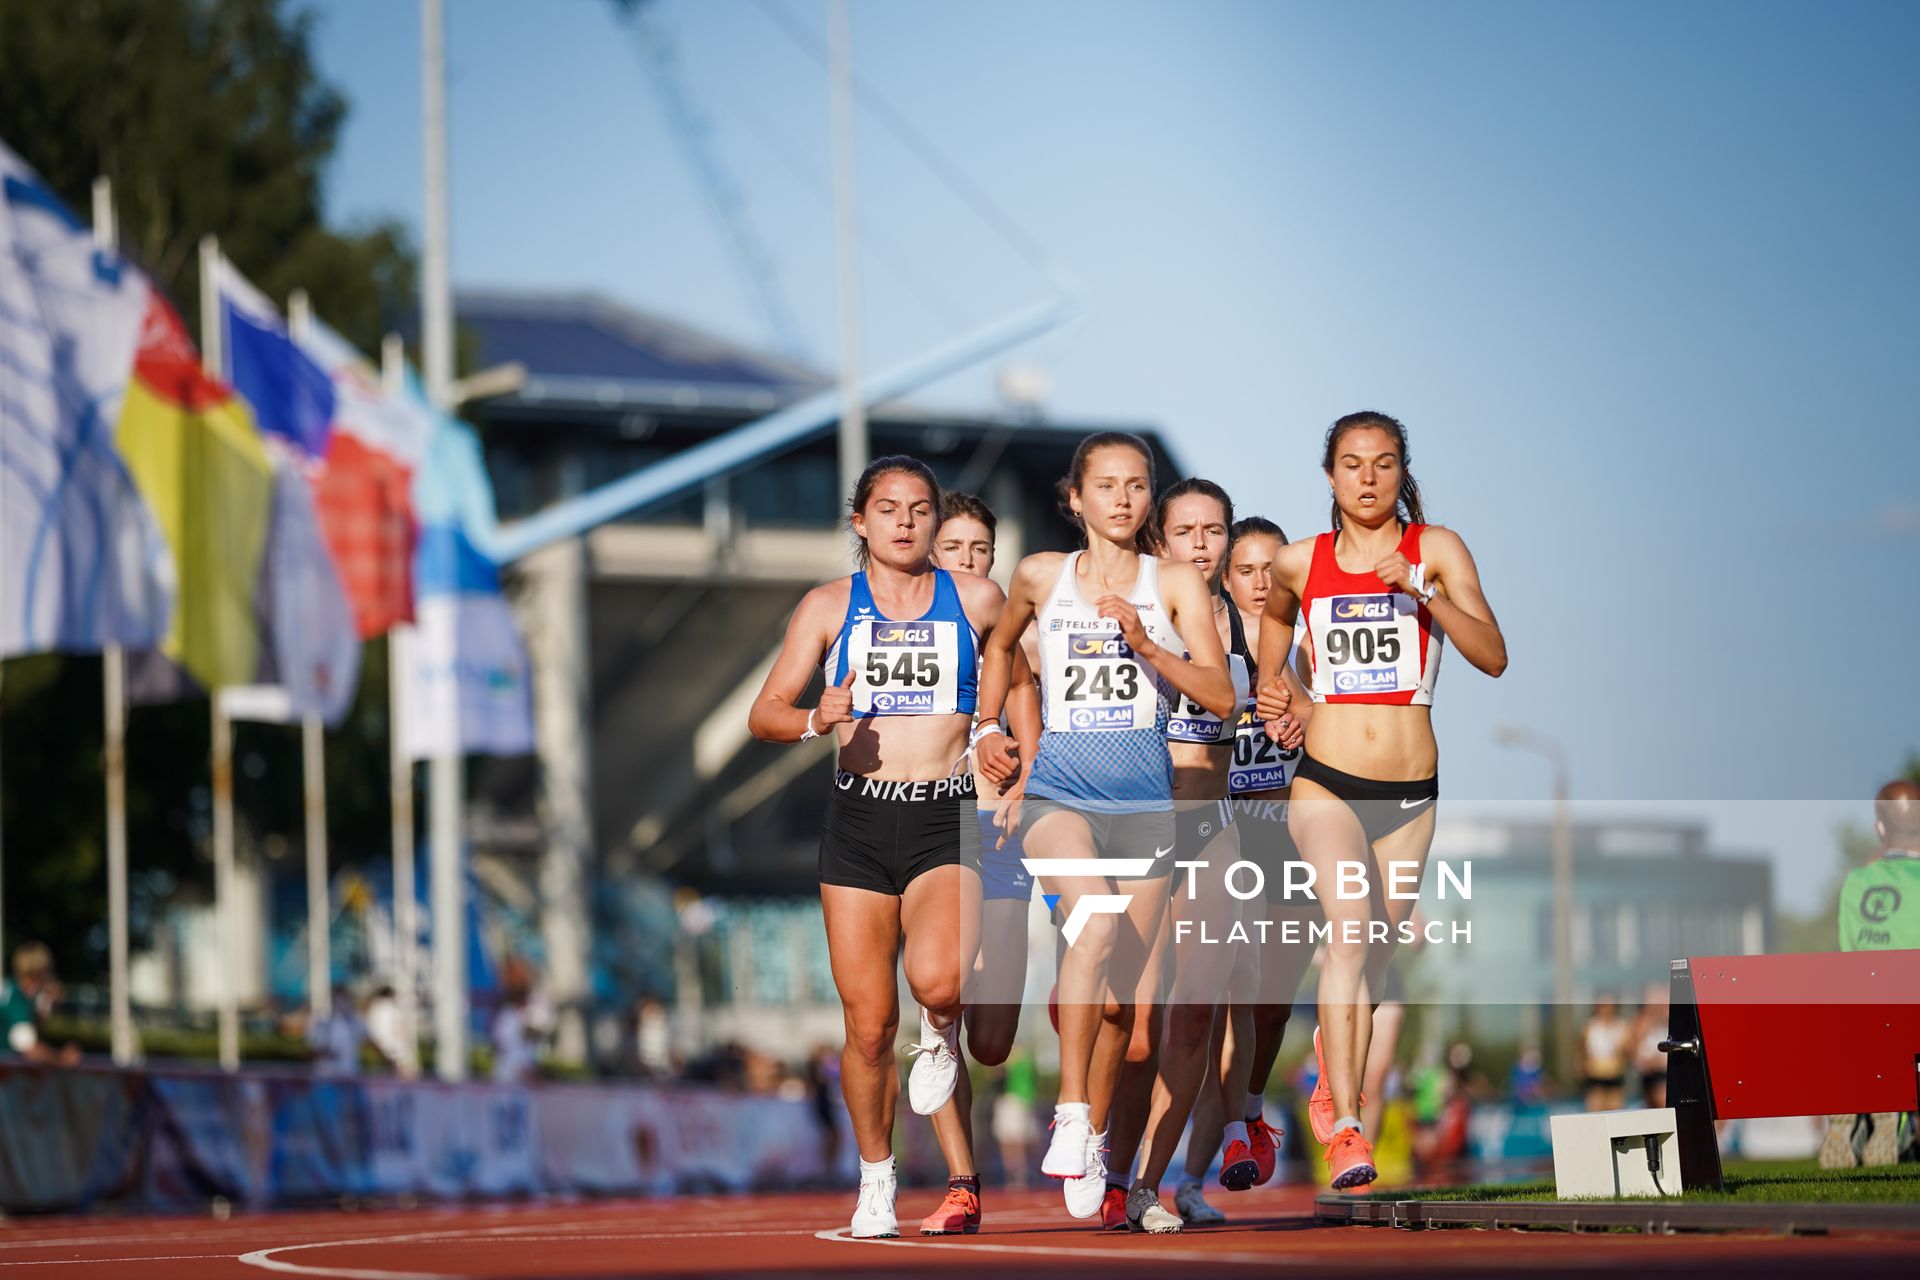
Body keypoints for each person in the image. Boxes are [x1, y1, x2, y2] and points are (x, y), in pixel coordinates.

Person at [974, 433, 1239, 1227]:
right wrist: (987, 727)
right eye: (1107, 486)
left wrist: (1148, 644)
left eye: (1136, 486)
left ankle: (1102, 1140)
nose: (1122, 499)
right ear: (1076, 498)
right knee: (1089, 933)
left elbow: (1222, 696)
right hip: (1059, 795)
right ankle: (1073, 1118)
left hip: (1147, 806)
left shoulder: (1177, 582)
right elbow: (1000, 646)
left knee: (1129, 1015)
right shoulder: (1041, 575)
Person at [748, 455, 1006, 1239]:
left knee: (939, 978)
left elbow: (1018, 680)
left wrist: (998, 739)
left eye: (920, 509)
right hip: (859, 824)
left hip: (944, 813)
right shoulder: (829, 606)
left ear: (935, 521)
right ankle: (875, 1178)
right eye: (887, 508)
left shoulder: (977, 600)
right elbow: (764, 712)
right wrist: (813, 719)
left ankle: (942, 1032)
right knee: (866, 1028)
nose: (904, 521)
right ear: (859, 521)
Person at [1254, 410, 1507, 1190]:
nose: (1368, 478)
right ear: (1329, 476)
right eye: (1353, 464)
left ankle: (1333, 1081)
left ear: (1403, 472)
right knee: (1352, 933)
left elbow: (1493, 656)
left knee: (1376, 956)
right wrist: (1281, 693)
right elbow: (1272, 644)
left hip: (1410, 791)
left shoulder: (1437, 550)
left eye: (1384, 463)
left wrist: (1423, 593)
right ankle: (1350, 1128)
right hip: (1327, 782)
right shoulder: (1301, 562)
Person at [1114, 478, 1268, 1233]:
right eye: (1186, 530)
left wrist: (1296, 717)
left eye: (1214, 530)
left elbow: (1291, 697)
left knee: (1195, 1016)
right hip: (1140, 827)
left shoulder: (1247, 625)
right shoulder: (1137, 613)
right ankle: (1105, 1160)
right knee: (1135, 1027)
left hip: (1214, 826)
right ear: (1159, 540)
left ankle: (1150, 1184)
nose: (1202, 543)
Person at [1176, 515, 1314, 1215]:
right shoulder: (1214, 649)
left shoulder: (1310, 643)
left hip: (1293, 844)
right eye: (1246, 570)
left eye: (1271, 570)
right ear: (1225, 581)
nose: (1261, 584)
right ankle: (1204, 1167)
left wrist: (1304, 713)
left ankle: (1251, 1112)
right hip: (1227, 841)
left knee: (1269, 1007)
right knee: (1217, 1009)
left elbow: (1355, 728)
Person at [918, 489, 1043, 1235]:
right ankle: (962, 1182)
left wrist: (1022, 783)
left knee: (991, 1040)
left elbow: (1030, 711)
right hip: (935, 833)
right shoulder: (908, 631)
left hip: (999, 837)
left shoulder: (1012, 639)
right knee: (940, 1005)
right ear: (931, 556)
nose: (969, 564)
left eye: (980, 553)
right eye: (955, 551)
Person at [1821, 778, 1920, 1168]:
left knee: (1879, 1037)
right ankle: (1894, 1125)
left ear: (1879, 828)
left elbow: (1850, 956)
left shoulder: (1856, 883)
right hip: (1912, 1019)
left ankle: (1859, 1113)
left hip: (1865, 1016)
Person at [1, 943, 81, 1066]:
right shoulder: (16, 1000)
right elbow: (29, 1048)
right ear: (38, 973)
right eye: (48, 973)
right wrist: (61, 1058)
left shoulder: (10, 992)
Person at [1580, 995, 1629, 1112]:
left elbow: (1627, 1050)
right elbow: (1581, 1050)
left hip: (1615, 1077)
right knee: (1595, 1113)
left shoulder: (1621, 1026)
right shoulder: (1590, 1026)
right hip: (1595, 1078)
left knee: (1616, 1113)